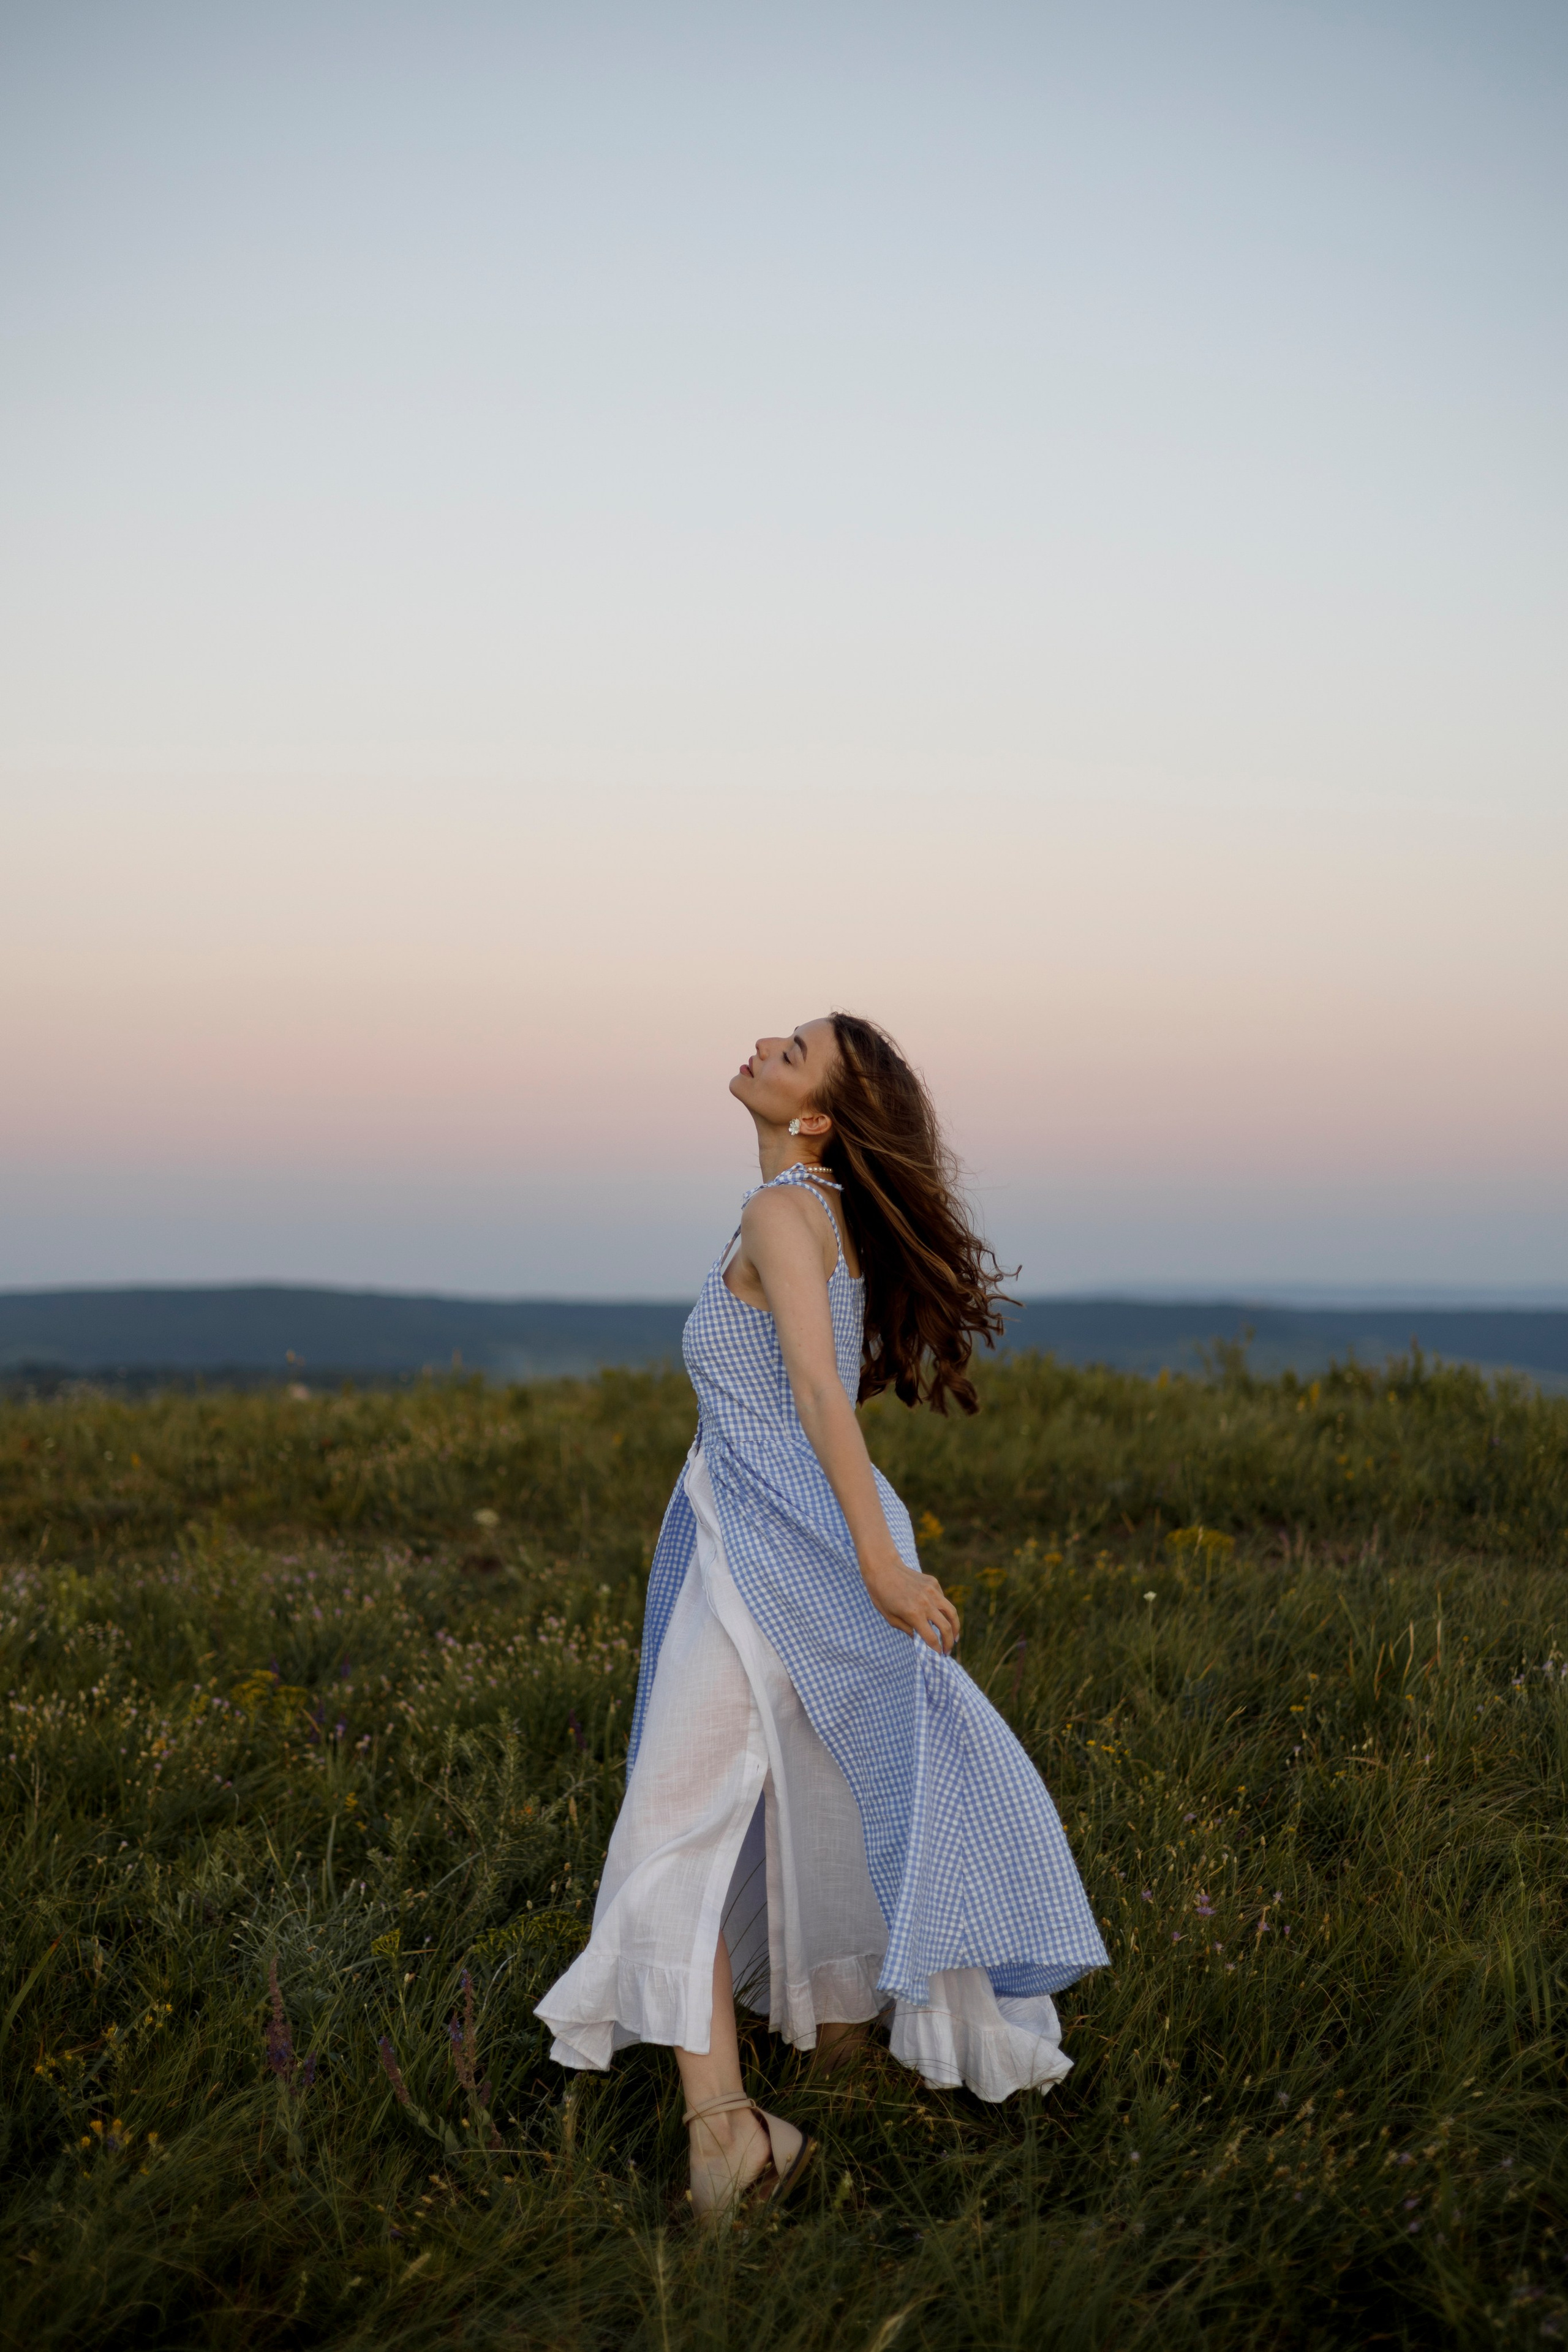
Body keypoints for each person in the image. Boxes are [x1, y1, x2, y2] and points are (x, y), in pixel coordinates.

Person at [536, 1014, 1107, 2221]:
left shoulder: (780, 1212)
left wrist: (877, 1566)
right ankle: (839, 2063)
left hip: (783, 1553)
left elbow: (813, 1393)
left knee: (671, 1820)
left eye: (791, 1051)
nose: (762, 1042)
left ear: (817, 1119)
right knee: (813, 1792)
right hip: (781, 1540)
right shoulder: (817, 1215)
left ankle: (727, 2135)